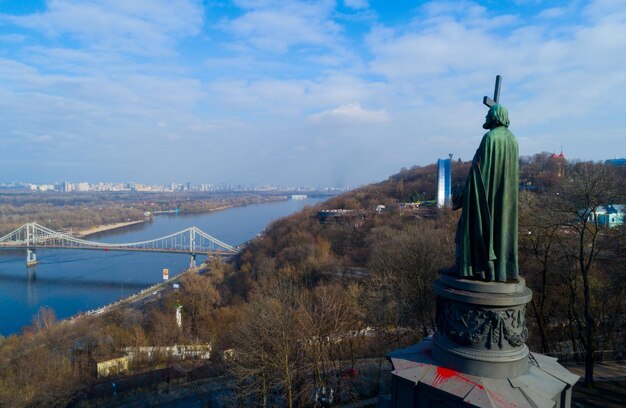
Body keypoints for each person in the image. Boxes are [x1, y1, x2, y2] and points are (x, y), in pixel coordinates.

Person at [452, 104, 519, 282]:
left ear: (495, 117)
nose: (486, 117)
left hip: (484, 196)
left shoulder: (490, 138)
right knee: (499, 230)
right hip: (503, 198)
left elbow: (480, 172)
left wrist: (464, 193)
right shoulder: (512, 139)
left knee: (466, 228)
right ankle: (500, 270)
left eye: (488, 114)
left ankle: (467, 266)